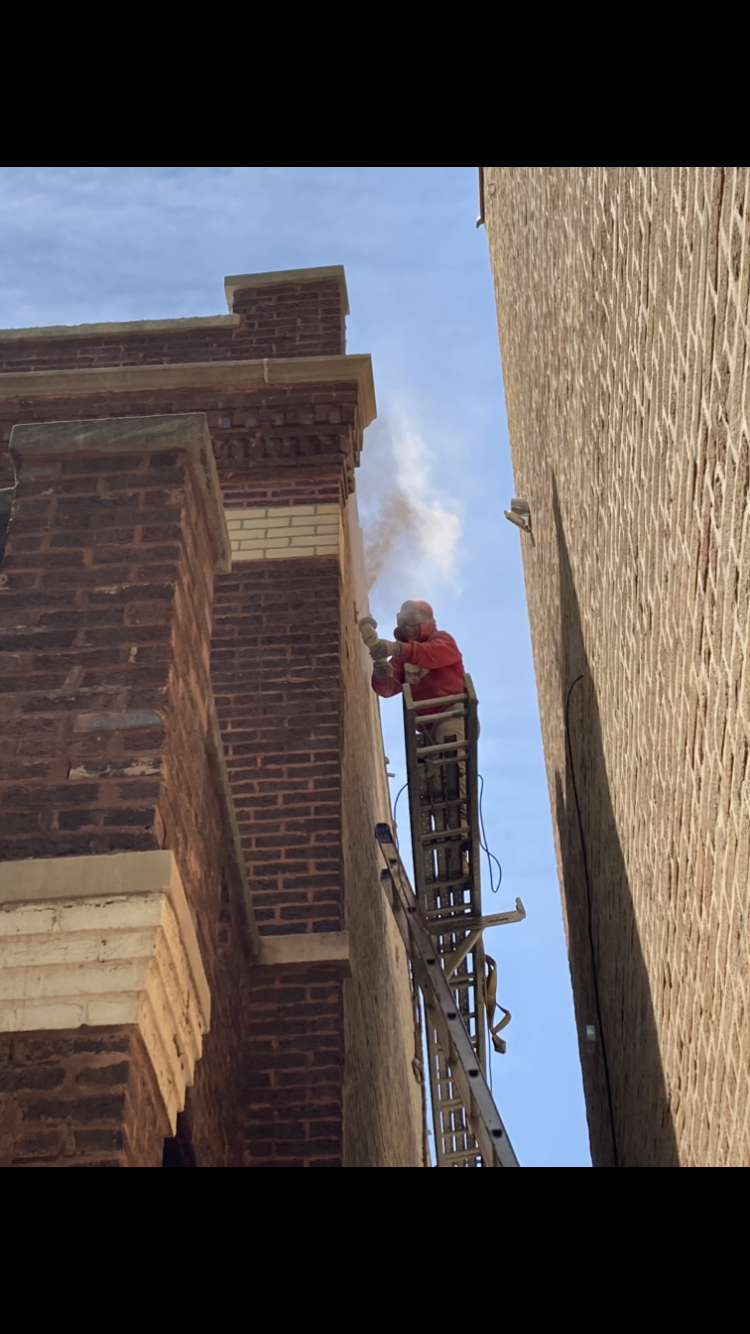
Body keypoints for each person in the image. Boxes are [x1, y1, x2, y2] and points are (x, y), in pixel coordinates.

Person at [365, 600, 465, 746]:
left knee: (450, 759)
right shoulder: (402, 659)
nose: (406, 627)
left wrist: (397, 648)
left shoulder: (443, 640)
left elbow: (429, 654)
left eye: (412, 620)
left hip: (453, 715)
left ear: (426, 621)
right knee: (427, 767)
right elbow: (388, 688)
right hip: (426, 728)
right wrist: (381, 675)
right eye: (402, 622)